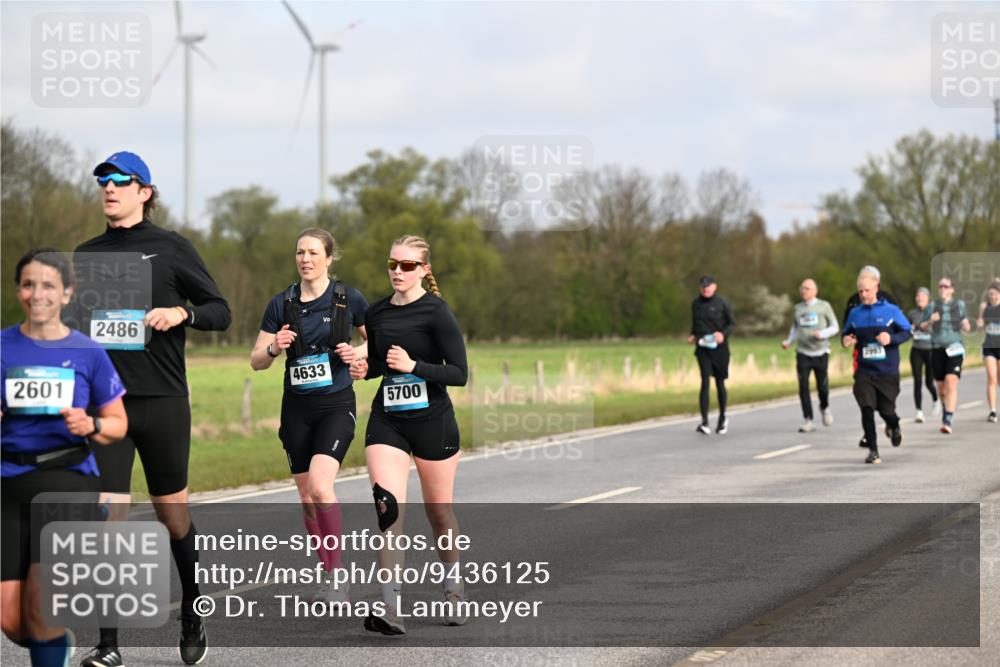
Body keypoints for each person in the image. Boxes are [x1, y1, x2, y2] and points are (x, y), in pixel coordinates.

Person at [72, 152, 231, 667]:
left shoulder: (172, 248)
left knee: (173, 515)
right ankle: (108, 644)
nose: (109, 187)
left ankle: (193, 611)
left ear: (144, 191)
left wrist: (182, 312)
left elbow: (220, 312)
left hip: (163, 402)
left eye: (120, 180)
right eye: (103, 180)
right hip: (107, 406)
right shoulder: (85, 255)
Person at [2, 249, 127, 667]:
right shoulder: (2, 345)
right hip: (8, 480)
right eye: (28, 285)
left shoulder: (89, 351)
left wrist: (90, 423)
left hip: (67, 478)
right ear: (18, 291)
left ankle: (49, 640)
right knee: (11, 619)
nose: (37, 294)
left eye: (48, 285)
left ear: (67, 293)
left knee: (42, 607)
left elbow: (118, 424)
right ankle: (56, 642)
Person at [350, 235, 469, 636]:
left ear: (424, 270)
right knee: (388, 512)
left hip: (433, 421)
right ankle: (389, 607)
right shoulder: (378, 313)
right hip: (389, 421)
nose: (397, 272)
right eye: (393, 264)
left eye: (407, 265)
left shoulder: (437, 312)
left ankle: (453, 588)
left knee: (439, 512)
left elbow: (459, 373)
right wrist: (362, 369)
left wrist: (415, 365)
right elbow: (379, 365)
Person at [249, 228, 368, 601]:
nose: (305, 259)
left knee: (320, 486)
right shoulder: (281, 303)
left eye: (314, 252)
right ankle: (327, 569)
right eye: (300, 252)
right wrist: (274, 347)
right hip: (296, 409)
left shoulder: (348, 299)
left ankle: (338, 574)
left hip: (336, 404)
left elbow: (377, 340)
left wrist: (357, 355)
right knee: (306, 497)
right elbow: (256, 360)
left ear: (329, 258)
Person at [842, 267, 912, 464]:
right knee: (866, 407)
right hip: (864, 371)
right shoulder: (855, 313)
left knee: (886, 411)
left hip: (887, 371)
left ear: (876, 288)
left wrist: (891, 338)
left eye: (867, 290)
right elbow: (846, 333)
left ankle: (894, 425)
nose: (863, 295)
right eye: (860, 291)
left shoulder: (891, 310)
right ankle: (873, 451)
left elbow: (908, 332)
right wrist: (846, 340)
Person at [781, 278, 839, 432]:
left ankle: (824, 407)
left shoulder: (824, 306)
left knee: (822, 386)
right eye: (802, 288)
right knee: (803, 387)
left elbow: (835, 327)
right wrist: (788, 341)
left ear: (815, 291)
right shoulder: (798, 308)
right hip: (803, 352)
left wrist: (822, 333)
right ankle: (808, 420)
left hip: (821, 351)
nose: (803, 291)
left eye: (807, 288)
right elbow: (795, 328)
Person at [918, 277, 971, 435]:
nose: (942, 289)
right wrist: (930, 321)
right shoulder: (932, 306)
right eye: (940, 286)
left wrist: (966, 325)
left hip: (955, 348)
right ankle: (945, 408)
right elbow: (922, 326)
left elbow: (967, 325)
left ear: (952, 289)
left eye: (946, 286)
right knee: (941, 389)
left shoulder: (959, 305)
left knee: (951, 381)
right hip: (937, 349)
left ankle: (948, 418)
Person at [687, 276, 735, 435]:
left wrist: (723, 334)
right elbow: (695, 325)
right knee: (705, 381)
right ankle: (705, 421)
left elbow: (732, 323)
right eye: (703, 286)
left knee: (719, 383)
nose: (705, 289)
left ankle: (722, 418)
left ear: (714, 287)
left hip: (719, 349)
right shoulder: (696, 304)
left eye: (708, 286)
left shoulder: (722, 303)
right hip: (703, 348)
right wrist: (692, 336)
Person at [908, 287, 939, 423]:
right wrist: (910, 329)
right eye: (918, 296)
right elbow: (907, 330)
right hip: (916, 350)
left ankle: (936, 399)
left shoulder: (934, 313)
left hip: (930, 350)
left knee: (929, 382)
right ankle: (919, 411)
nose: (920, 298)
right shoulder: (912, 313)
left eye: (923, 296)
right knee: (917, 381)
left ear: (928, 298)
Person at [977, 279, 1000, 423]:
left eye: (996, 294)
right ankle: (992, 411)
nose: (993, 296)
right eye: (991, 294)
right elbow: (981, 329)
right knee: (992, 378)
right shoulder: (984, 308)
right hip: (989, 347)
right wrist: (980, 323)